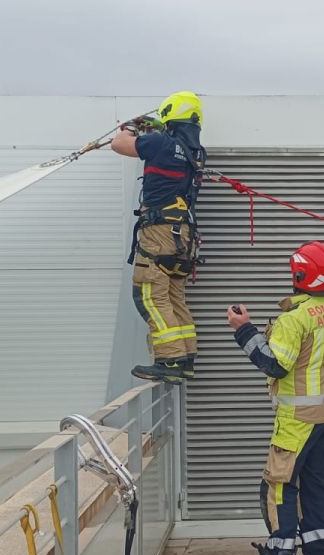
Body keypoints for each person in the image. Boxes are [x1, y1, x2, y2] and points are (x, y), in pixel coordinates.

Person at [226, 225, 324, 555]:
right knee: (315, 486)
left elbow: (275, 364)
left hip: (297, 419)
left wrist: (245, 330)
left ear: (300, 277)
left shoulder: (295, 319)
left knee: (278, 491)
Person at [111, 91, 207, 383]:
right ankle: (185, 358)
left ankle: (169, 361)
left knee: (149, 295)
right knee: (174, 296)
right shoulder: (195, 152)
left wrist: (130, 128)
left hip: (160, 232)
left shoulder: (161, 143)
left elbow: (119, 144)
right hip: (183, 235)